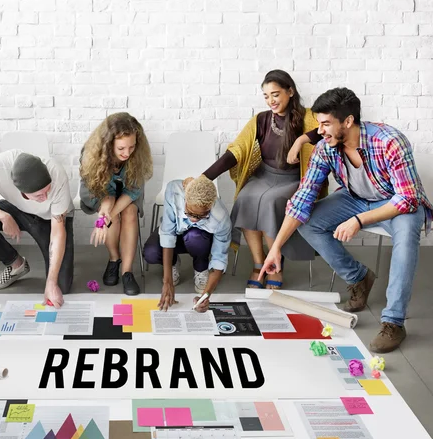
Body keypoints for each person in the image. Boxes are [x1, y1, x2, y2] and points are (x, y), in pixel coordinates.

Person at [260, 87, 433, 353]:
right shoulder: (325, 147)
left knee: (407, 237)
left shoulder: (389, 141)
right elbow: (302, 200)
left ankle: (393, 322)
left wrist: (359, 221)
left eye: (326, 123)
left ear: (348, 121)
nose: (320, 130)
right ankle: (359, 278)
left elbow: (408, 198)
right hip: (355, 198)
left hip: (395, 203)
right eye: (319, 123)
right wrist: (275, 250)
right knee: (309, 222)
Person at [203, 69, 325, 290]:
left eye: (275, 94)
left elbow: (325, 129)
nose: (271, 101)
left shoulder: (309, 117)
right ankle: (260, 264)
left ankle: (275, 266)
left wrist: (300, 142)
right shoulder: (261, 119)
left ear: (290, 91)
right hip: (264, 175)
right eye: (266, 96)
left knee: (270, 202)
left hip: (294, 180)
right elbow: (237, 150)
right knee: (246, 197)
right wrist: (205, 177)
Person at [0, 149, 74, 308]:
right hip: (16, 209)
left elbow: (57, 233)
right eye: (39, 195)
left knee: (61, 285)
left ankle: (53, 280)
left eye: (47, 190)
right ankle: (16, 264)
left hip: (51, 218)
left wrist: (51, 282)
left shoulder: (57, 174)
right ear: (22, 192)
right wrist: (4, 216)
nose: (45, 197)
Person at [79, 112, 153, 296]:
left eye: (132, 147)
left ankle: (127, 272)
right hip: (99, 193)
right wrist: (106, 211)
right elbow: (99, 192)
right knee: (112, 211)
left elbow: (133, 191)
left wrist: (106, 217)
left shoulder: (137, 156)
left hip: (128, 193)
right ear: (108, 144)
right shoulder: (91, 154)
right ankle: (114, 259)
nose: (127, 153)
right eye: (121, 148)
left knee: (129, 212)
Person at [143, 176, 232, 312]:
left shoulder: (221, 218)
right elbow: (168, 233)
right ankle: (173, 263)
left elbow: (219, 259)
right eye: (189, 213)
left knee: (194, 236)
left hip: (199, 241)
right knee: (151, 253)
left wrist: (205, 296)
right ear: (185, 199)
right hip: (176, 235)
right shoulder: (174, 191)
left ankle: (201, 268)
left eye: (201, 216)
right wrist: (168, 282)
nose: (193, 219)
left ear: (210, 206)